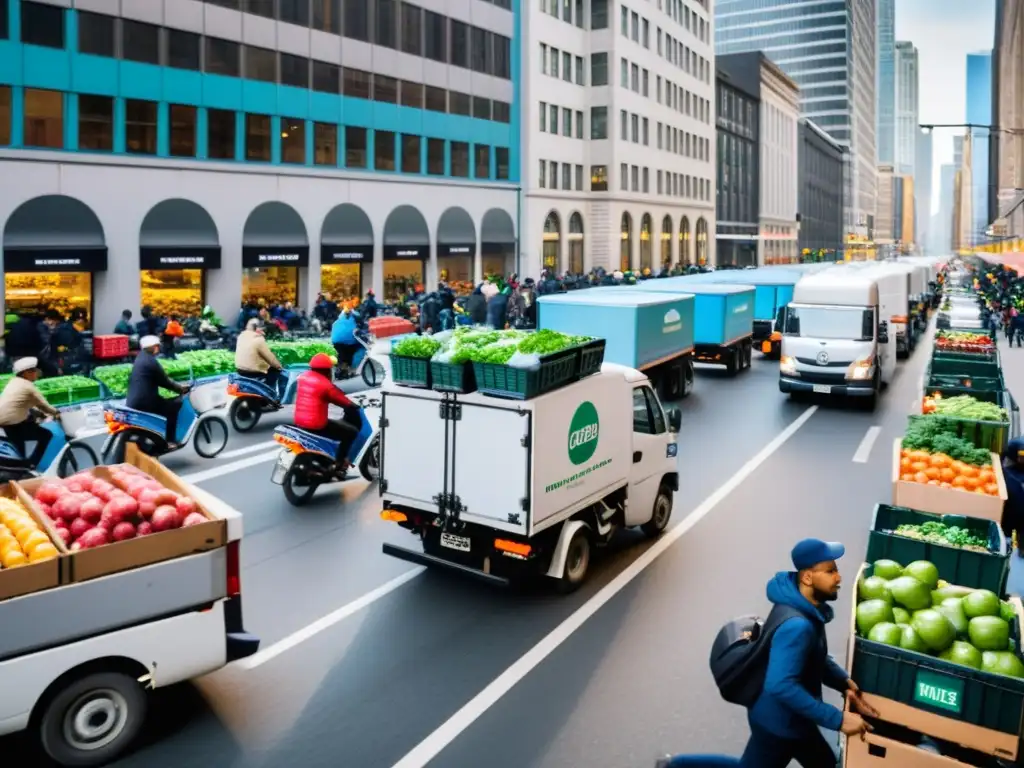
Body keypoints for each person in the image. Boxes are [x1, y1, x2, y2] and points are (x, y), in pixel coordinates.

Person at [739, 538, 875, 767]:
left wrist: (842, 682)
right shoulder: (798, 626)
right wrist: (838, 719)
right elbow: (780, 684)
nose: (838, 577)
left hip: (795, 719)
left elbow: (813, 656)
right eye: (830, 571)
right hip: (779, 724)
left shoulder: (804, 607)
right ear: (807, 578)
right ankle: (677, 764)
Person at [293, 353, 360, 467]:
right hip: (316, 424)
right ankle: (340, 462)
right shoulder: (326, 385)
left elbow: (319, 396)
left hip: (299, 421)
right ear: (327, 370)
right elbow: (344, 401)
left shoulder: (303, 377)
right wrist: (355, 406)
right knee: (351, 432)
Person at [126, 335, 191, 447]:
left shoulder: (141, 357)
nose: (158, 348)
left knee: (165, 403)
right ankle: (170, 441)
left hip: (134, 399)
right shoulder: (151, 362)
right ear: (153, 347)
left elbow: (160, 380)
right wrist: (181, 389)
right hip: (145, 401)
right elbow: (165, 381)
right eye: (157, 346)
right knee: (173, 408)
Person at [0, 357, 61, 467]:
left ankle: (24, 466)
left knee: (20, 444)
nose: (36, 373)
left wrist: (40, 414)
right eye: (33, 371)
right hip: (13, 422)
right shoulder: (28, 386)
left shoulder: (13, 382)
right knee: (46, 435)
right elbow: (44, 405)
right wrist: (56, 412)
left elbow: (28, 404)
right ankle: (33, 463)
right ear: (25, 373)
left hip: (6, 421)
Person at [235, 318, 284, 396]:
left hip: (240, 370)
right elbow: (270, 359)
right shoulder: (258, 339)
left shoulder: (241, 337)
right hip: (254, 372)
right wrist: (279, 366)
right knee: (275, 370)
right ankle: (271, 394)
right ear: (257, 328)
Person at [1001, 437, 1024, 552]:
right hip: (1012, 509)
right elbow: (1002, 455)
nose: (1021, 458)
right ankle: (1006, 539)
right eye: (1021, 456)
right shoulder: (1014, 445)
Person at [331, 308, 360, 374]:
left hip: (336, 340)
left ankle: (341, 367)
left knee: (340, 354)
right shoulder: (355, 316)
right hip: (349, 341)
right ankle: (347, 368)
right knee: (352, 351)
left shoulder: (340, 317)